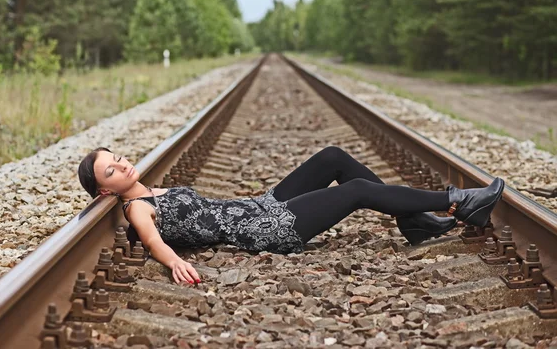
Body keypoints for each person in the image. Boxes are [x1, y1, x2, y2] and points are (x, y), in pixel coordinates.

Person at [78, 146, 504, 285]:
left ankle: (411, 221)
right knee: (355, 191)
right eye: (110, 171)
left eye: (117, 158)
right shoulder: (137, 207)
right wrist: (174, 262)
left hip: (260, 205)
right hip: (263, 228)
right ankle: (455, 202)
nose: (122, 166)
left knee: (333, 158)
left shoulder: (152, 189)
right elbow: (152, 240)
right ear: (104, 189)